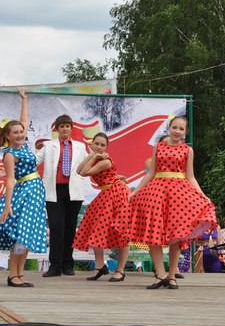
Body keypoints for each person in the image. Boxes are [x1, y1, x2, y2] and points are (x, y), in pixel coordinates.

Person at [117, 116, 217, 289]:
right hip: (156, 192)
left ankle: (172, 276)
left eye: (181, 129)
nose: (177, 131)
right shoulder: (158, 146)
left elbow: (190, 176)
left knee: (176, 236)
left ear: (186, 132)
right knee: (153, 233)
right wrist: (136, 191)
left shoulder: (188, 150)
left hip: (179, 194)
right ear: (169, 128)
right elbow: (150, 172)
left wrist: (202, 195)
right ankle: (160, 275)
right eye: (175, 127)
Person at [0, 89, 47, 287]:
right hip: (23, 194)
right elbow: (10, 180)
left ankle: (20, 273)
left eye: (22, 131)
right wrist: (7, 205)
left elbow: (24, 119)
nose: (21, 134)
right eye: (16, 133)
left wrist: (24, 101)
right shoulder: (10, 154)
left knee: (28, 235)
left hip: (35, 193)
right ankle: (13, 274)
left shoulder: (24, 147)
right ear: (8, 136)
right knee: (20, 235)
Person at [72, 132, 131, 282]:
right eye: (96, 144)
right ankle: (100, 266)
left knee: (122, 233)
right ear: (91, 144)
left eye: (102, 145)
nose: (99, 147)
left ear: (106, 147)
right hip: (106, 193)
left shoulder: (105, 160)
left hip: (117, 194)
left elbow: (85, 172)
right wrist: (91, 156)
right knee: (95, 229)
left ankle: (120, 270)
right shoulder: (97, 158)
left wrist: (94, 157)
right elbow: (78, 170)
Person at [35, 114, 88, 277]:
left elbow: (90, 164)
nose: (65, 129)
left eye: (67, 126)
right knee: (56, 227)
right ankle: (54, 266)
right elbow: (34, 161)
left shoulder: (80, 146)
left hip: (74, 191)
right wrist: (13, 163)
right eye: (61, 126)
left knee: (70, 228)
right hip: (54, 190)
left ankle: (67, 264)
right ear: (56, 129)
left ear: (71, 128)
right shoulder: (48, 145)